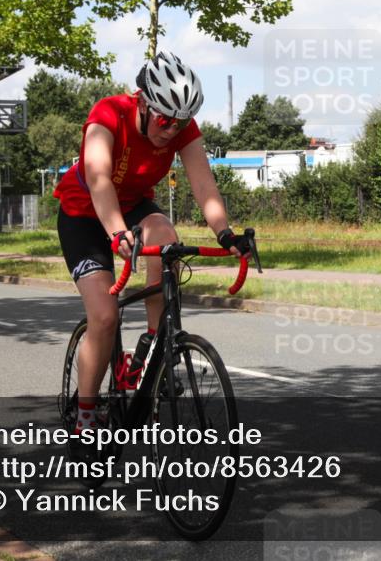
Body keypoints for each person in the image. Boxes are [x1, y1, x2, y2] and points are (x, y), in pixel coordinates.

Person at [54, 51, 251, 455]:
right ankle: (88, 414)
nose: (171, 129)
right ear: (143, 102)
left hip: (134, 206)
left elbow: (203, 185)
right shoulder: (109, 114)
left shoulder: (180, 127)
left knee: (166, 238)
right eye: (165, 119)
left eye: (180, 122)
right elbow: (98, 178)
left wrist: (226, 233)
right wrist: (116, 232)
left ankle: (151, 350)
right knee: (105, 316)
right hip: (84, 213)